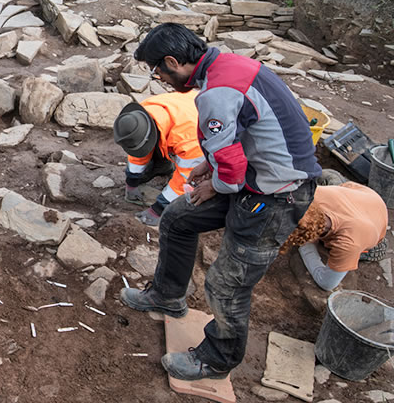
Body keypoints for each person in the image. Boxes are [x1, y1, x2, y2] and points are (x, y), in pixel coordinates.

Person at [119, 23, 321, 381]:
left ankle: (217, 358)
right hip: (258, 178)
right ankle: (167, 296)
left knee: (227, 282)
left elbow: (232, 169)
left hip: (278, 194)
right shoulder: (226, 66)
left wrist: (216, 181)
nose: (160, 79)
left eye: (158, 71)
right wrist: (209, 163)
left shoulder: (217, 92)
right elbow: (241, 134)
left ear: (172, 61)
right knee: (179, 217)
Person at [113, 91, 205, 227]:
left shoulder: (189, 140)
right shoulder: (141, 115)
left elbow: (188, 177)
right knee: (153, 144)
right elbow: (138, 149)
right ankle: (162, 166)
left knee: (206, 177)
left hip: (219, 131)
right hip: (184, 109)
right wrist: (132, 180)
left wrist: (159, 209)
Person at [281, 178, 388, 290]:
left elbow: (327, 283)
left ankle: (370, 249)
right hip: (359, 194)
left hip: (373, 221)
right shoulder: (311, 195)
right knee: (327, 177)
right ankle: (334, 179)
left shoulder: (348, 243)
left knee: (343, 252)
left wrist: (305, 247)